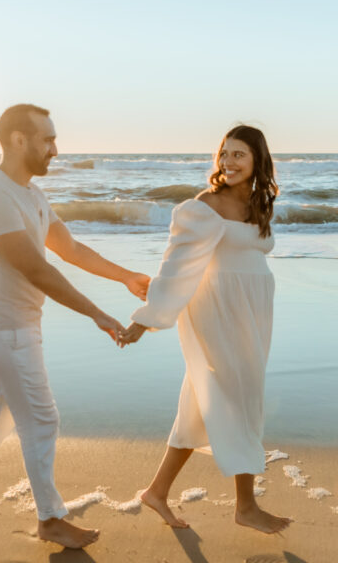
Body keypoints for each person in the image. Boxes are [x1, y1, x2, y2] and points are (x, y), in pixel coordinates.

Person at [0, 104, 150, 549]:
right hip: (3, 328)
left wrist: (125, 276)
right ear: (18, 140)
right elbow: (36, 270)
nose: (56, 149)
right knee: (42, 418)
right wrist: (98, 314)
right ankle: (51, 519)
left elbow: (68, 249)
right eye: (47, 139)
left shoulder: (29, 194)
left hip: (8, 326)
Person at [119, 125, 291, 534]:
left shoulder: (257, 204)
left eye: (239, 155)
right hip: (217, 310)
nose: (228, 162)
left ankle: (156, 492)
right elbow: (176, 267)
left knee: (203, 400)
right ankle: (246, 506)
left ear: (257, 161)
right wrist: (145, 318)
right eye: (224, 154)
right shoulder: (204, 206)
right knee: (241, 397)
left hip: (253, 312)